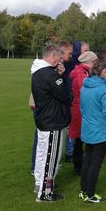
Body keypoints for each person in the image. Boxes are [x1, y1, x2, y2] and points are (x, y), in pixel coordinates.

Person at [31, 44, 71, 202]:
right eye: (59, 58)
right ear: (53, 57)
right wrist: (60, 75)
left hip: (43, 119)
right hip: (52, 120)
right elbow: (65, 95)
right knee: (50, 158)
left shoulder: (37, 72)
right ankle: (45, 193)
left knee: (42, 155)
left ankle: (39, 183)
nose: (61, 61)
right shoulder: (50, 75)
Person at [79, 58, 106, 203]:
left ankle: (84, 190)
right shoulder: (104, 89)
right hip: (100, 131)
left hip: (88, 128)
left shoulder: (85, 87)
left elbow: (82, 108)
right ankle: (90, 194)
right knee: (95, 162)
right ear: (104, 71)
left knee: (88, 160)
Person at [69, 50, 98, 175]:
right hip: (80, 109)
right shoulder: (82, 74)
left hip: (79, 108)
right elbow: (85, 92)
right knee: (80, 139)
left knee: (80, 139)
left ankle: (80, 165)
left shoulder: (82, 72)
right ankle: (79, 166)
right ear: (90, 62)